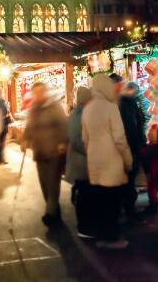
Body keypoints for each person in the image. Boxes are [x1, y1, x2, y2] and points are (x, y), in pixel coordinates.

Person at [82, 73, 133, 249]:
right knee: (112, 201)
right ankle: (112, 238)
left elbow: (85, 138)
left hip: (94, 160)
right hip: (111, 160)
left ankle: (102, 236)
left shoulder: (88, 108)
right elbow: (119, 138)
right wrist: (128, 160)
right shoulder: (111, 108)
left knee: (101, 201)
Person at [23, 81, 69, 226]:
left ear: (45, 92)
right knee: (45, 185)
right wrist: (25, 140)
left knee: (53, 184)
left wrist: (62, 142)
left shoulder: (55, 107)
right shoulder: (33, 109)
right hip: (40, 151)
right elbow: (29, 126)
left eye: (40, 92)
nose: (37, 95)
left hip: (54, 152)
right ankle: (55, 213)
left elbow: (63, 126)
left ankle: (50, 214)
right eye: (35, 93)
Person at [112, 75, 146, 222]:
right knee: (127, 182)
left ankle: (125, 210)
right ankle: (129, 213)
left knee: (126, 182)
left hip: (127, 147)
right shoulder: (125, 103)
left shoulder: (121, 103)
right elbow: (130, 128)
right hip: (128, 148)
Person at [65, 86, 93, 237]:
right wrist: (91, 150)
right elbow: (76, 140)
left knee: (84, 192)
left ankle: (87, 225)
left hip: (83, 162)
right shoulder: (77, 116)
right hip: (80, 162)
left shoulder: (81, 113)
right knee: (84, 195)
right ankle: (84, 228)